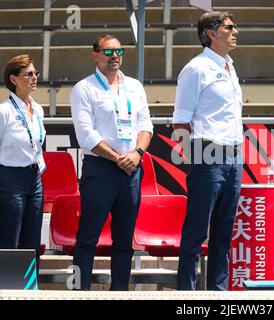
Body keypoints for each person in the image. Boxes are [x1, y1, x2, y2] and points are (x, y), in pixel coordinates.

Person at [70, 34, 153, 290]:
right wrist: (119, 158)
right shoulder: (84, 88)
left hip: (131, 170)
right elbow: (86, 135)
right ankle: (78, 293)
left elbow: (146, 125)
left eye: (119, 51)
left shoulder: (135, 86)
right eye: (108, 52)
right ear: (95, 54)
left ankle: (120, 293)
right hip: (101, 170)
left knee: (124, 241)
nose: (114, 56)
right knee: (87, 238)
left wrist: (137, 153)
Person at [172, 11, 243, 290]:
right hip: (207, 154)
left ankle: (218, 293)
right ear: (211, 34)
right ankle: (186, 295)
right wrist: (195, 156)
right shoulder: (196, 68)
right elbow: (180, 119)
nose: (235, 31)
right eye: (229, 27)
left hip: (234, 155)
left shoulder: (230, 66)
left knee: (224, 233)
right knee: (196, 232)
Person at [0, 55, 46, 270]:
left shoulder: (38, 109)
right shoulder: (4, 111)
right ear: (14, 79)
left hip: (34, 178)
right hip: (9, 178)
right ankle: (5, 288)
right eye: (28, 74)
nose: (34, 77)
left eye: (35, 73)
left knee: (32, 239)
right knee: (9, 237)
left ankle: (30, 289)